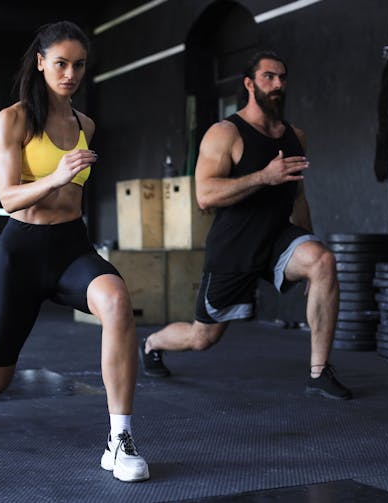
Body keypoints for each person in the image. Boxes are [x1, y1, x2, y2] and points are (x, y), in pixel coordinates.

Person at [0, 21, 149, 482]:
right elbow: (7, 198)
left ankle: (119, 440)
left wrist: (64, 183)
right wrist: (56, 176)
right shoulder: (14, 119)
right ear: (41, 63)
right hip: (22, 253)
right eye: (60, 63)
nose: (70, 73)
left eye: (78, 65)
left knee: (117, 303)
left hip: (70, 248)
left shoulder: (86, 125)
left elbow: (72, 198)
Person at [140, 50, 352, 400]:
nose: (278, 84)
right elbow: (205, 196)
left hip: (277, 238)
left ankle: (319, 372)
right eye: (269, 77)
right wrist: (263, 177)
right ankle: (151, 343)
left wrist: (309, 251)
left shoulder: (295, 136)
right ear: (249, 83)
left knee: (323, 261)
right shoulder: (225, 133)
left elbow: (298, 197)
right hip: (234, 246)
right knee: (202, 338)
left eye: (282, 77)